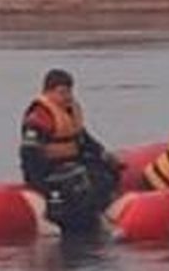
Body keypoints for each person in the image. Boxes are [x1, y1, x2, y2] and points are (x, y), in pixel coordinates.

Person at [19, 68, 121, 228]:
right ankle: (77, 216)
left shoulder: (69, 112)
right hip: (49, 168)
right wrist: (39, 186)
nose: (67, 97)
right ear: (48, 93)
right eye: (62, 92)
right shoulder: (39, 118)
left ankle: (102, 210)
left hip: (72, 161)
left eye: (69, 92)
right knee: (80, 179)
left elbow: (84, 140)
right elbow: (29, 154)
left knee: (106, 171)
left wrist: (103, 154)